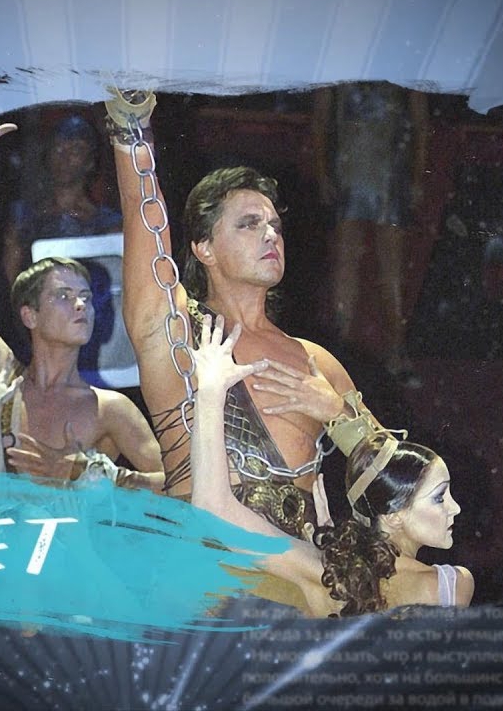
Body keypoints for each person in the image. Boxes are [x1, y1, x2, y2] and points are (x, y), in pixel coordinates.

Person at [107, 90, 382, 537]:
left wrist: (337, 413)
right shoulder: (176, 333)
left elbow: (406, 484)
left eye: (275, 225)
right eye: (249, 224)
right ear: (204, 248)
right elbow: (147, 227)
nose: (271, 235)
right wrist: (131, 132)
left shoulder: (315, 361)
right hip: (208, 565)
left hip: (302, 569)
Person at [0, 103, 163, 490]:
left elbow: (178, 483)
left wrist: (94, 475)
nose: (81, 305)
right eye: (63, 295)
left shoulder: (109, 409)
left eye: (86, 297)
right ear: (30, 314)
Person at [190, 314, 473, 616]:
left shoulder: (326, 574)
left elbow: (212, 507)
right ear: (393, 515)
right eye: (439, 497)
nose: (455, 508)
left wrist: (210, 390)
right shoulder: (451, 585)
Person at [313, 82, 429, 387]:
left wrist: (417, 177)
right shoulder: (339, 64)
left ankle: (396, 351)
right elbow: (321, 118)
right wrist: (323, 172)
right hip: (350, 170)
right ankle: (339, 351)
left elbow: (420, 123)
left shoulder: (405, 65)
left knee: (391, 270)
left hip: (390, 173)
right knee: (346, 267)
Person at [1, 114, 121, 284]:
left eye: (76, 150)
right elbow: (12, 280)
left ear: (90, 161)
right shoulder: (23, 218)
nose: (65, 158)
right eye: (58, 148)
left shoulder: (108, 224)